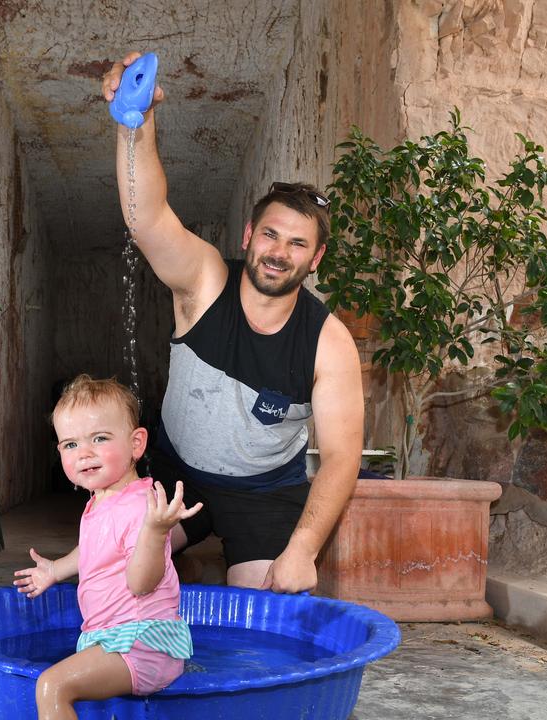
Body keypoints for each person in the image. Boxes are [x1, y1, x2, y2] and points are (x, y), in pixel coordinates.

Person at [100, 52, 365, 595]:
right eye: (271, 235)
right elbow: (147, 218)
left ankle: (219, 562)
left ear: (315, 260)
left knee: (267, 610)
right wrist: (138, 125)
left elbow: (340, 459)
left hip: (264, 492)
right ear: (249, 236)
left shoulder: (328, 342)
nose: (279, 253)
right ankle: (187, 562)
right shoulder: (205, 281)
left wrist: (302, 550)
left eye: (298, 244)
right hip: (176, 472)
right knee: (117, 579)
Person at [15, 375, 201, 719]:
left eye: (99, 438)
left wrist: (156, 532)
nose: (84, 453)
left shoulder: (137, 507)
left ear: (136, 443)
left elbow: (142, 583)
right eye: (70, 444)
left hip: (143, 643)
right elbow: (94, 550)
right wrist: (55, 570)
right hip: (117, 640)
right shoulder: (103, 500)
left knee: (51, 685)